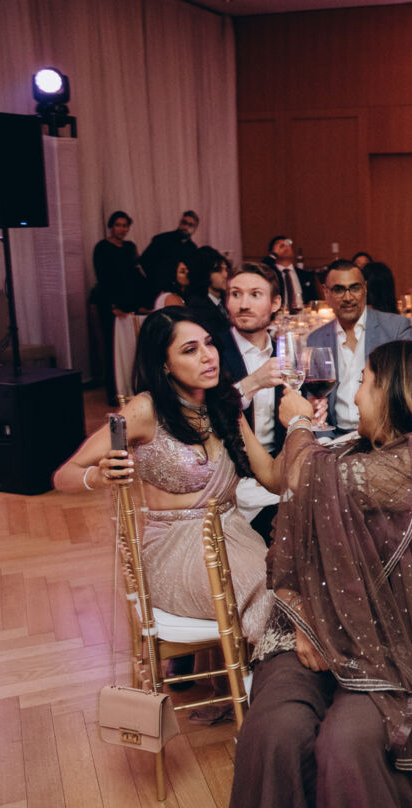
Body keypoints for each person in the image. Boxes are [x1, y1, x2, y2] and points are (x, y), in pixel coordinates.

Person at [220, 340, 412, 808]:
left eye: (364, 382)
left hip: (388, 644)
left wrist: (299, 423)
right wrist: (307, 618)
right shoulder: (353, 450)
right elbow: (291, 493)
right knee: (275, 729)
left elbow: (310, 480)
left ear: (398, 392)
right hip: (307, 630)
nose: (356, 396)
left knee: (347, 744)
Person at [52, 307, 281, 666]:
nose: (207, 356)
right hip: (176, 552)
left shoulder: (225, 404)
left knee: (293, 582)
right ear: (164, 364)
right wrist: (96, 476)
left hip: (234, 536)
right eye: (190, 350)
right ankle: (274, 683)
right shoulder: (146, 410)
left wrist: (300, 427)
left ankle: (280, 680)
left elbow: (272, 476)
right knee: (269, 591)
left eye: (209, 343)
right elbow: (64, 475)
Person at [219, 265, 288, 543]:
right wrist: (252, 382)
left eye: (255, 295)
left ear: (275, 303)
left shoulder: (286, 350)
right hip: (232, 479)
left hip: (278, 474)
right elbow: (202, 415)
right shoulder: (212, 351)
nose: (243, 304)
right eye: (235, 294)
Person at [307, 260, 412, 434]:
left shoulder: (396, 329)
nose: (348, 298)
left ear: (365, 288)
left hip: (387, 436)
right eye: (339, 290)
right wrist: (325, 440)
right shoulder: (316, 339)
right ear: (326, 292)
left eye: (355, 288)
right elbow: (314, 401)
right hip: (335, 436)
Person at [91, 210, 146, 402]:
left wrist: (140, 303)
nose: (122, 229)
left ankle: (131, 387)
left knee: (130, 346)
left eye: (125, 225)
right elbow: (103, 278)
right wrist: (113, 305)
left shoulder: (130, 247)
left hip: (129, 302)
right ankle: (114, 392)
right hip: (109, 303)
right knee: (112, 347)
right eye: (118, 225)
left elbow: (135, 276)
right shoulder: (102, 247)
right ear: (111, 227)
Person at [140, 210, 200, 285]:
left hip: (179, 288)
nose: (186, 227)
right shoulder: (161, 239)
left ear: (195, 229)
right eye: (184, 222)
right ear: (180, 223)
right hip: (157, 286)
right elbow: (145, 261)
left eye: (190, 225)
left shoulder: (193, 248)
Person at [184, 246, 231, 334]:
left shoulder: (226, 300)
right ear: (204, 274)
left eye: (226, 269)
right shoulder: (198, 307)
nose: (225, 274)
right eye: (218, 270)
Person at [265, 235, 317, 312]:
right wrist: (273, 254)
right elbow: (261, 268)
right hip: (278, 314)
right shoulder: (269, 274)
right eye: (280, 246)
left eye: (288, 245)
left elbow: (314, 300)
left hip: (303, 315)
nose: (285, 247)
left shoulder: (305, 275)